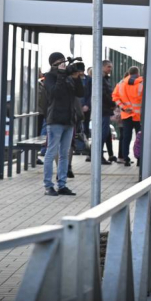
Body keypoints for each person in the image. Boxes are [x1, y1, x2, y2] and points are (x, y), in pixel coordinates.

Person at [41, 52, 84, 196]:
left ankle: (62, 184)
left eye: (64, 61)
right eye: (60, 62)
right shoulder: (50, 77)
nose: (63, 64)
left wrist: (77, 78)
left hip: (69, 121)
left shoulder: (68, 77)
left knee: (64, 154)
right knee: (51, 152)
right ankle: (48, 185)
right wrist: (60, 74)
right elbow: (54, 93)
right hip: (55, 120)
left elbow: (80, 93)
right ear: (53, 63)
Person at [85, 60, 115, 164]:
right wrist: (112, 103)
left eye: (111, 67)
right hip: (103, 110)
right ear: (102, 67)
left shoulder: (103, 78)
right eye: (108, 66)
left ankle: (93, 154)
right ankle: (97, 156)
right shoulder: (101, 79)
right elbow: (104, 94)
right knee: (102, 133)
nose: (110, 69)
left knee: (101, 133)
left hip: (103, 109)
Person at [113, 66, 143, 166]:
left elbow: (115, 97)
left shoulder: (121, 83)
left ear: (129, 73)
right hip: (139, 115)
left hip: (126, 114)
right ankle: (140, 159)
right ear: (138, 73)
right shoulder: (142, 83)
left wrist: (123, 108)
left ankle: (125, 158)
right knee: (140, 137)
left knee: (126, 137)